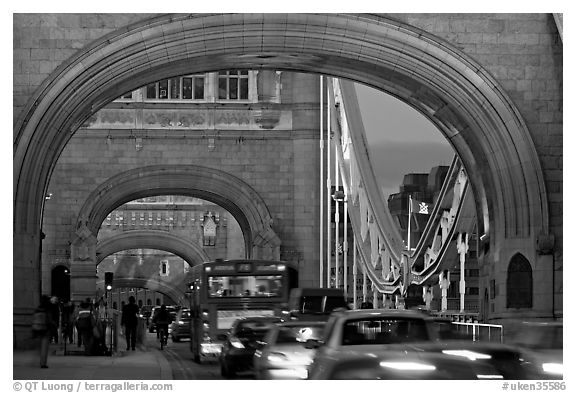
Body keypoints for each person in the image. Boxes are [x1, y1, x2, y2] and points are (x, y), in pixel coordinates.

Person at [32, 295, 57, 368]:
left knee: (39, 347)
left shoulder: (38, 308)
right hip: (45, 330)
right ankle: (43, 363)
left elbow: (33, 319)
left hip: (37, 329)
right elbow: (49, 320)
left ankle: (39, 360)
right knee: (44, 348)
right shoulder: (47, 309)